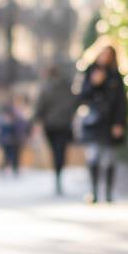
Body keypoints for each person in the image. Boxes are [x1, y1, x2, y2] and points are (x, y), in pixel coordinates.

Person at [78, 42, 128, 203]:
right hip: (94, 122)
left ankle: (108, 193)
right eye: (103, 53)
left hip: (110, 123)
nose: (105, 58)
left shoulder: (116, 76)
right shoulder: (89, 72)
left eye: (109, 55)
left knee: (109, 159)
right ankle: (93, 191)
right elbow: (81, 97)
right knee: (93, 157)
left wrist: (119, 123)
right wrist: (94, 84)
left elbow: (122, 102)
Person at [34, 62, 78, 195]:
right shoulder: (68, 87)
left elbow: (40, 106)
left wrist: (36, 120)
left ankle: (57, 173)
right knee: (61, 150)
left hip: (51, 125)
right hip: (65, 124)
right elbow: (75, 103)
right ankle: (59, 172)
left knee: (55, 151)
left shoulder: (46, 88)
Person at [0, 96, 28, 176]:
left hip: (16, 139)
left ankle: (14, 169)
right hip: (8, 139)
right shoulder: (6, 115)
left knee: (15, 155)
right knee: (7, 155)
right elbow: (3, 127)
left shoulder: (19, 115)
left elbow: (22, 127)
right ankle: (5, 169)